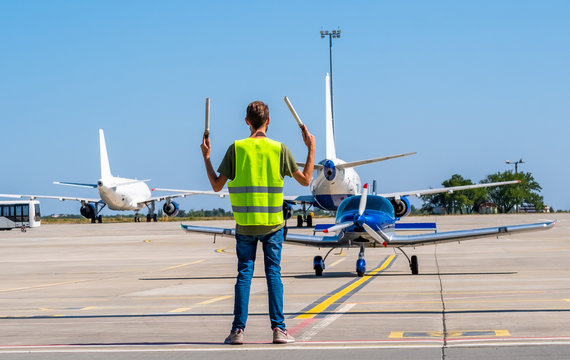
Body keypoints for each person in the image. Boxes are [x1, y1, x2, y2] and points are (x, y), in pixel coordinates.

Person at [201, 100, 315, 345]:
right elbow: (306, 180)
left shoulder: (236, 148)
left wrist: (207, 157)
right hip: (273, 225)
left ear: (246, 122)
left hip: (245, 225)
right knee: (274, 274)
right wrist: (311, 148)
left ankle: (237, 331)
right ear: (269, 121)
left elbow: (216, 185)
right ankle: (279, 330)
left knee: (244, 275)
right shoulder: (279, 149)